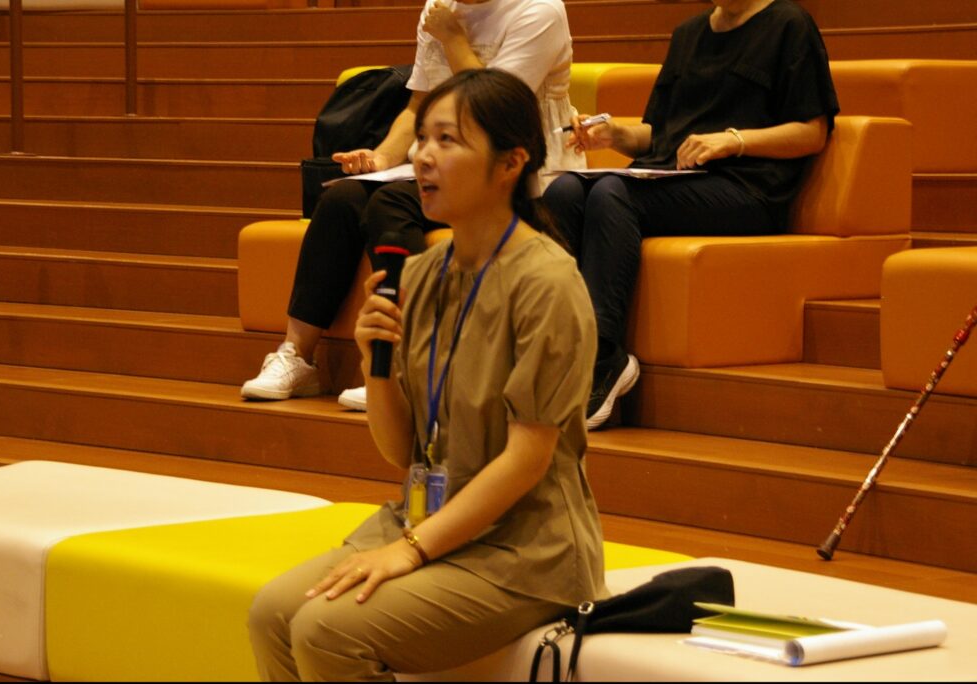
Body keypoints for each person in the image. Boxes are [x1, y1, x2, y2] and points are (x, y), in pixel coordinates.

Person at [246, 68, 606, 682]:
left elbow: (528, 460)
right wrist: (375, 366)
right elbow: (402, 450)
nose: (423, 157)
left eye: (448, 140)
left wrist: (411, 550)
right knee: (272, 614)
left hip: (523, 551)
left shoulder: (547, 283)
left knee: (326, 631)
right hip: (426, 518)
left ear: (510, 163)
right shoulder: (420, 274)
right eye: (422, 139)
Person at [241, 0, 583, 408]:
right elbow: (418, 106)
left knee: (391, 204)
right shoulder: (439, 9)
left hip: (517, 169)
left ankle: (409, 360)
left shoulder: (539, 11)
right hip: (447, 162)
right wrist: (380, 159)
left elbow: (496, 111)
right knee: (342, 197)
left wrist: (453, 37)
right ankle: (298, 355)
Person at [543, 0, 839, 430]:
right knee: (565, 191)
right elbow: (659, 134)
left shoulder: (788, 24)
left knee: (611, 194)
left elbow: (812, 132)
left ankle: (604, 357)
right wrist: (614, 134)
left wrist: (734, 140)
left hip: (746, 187)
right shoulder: (688, 34)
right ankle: (560, 351)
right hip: (673, 178)